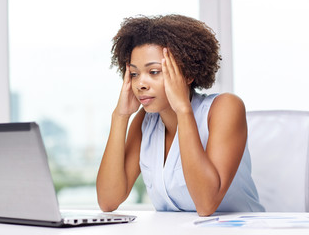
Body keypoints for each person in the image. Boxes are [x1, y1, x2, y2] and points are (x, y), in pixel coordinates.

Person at [96, 14, 265, 216]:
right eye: (134, 74)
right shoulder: (145, 121)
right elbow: (108, 201)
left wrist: (183, 110)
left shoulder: (225, 108)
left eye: (154, 72)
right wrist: (120, 116)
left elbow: (206, 204)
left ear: (188, 74)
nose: (140, 84)